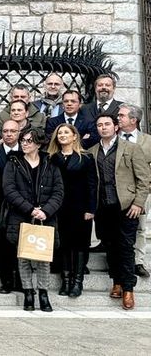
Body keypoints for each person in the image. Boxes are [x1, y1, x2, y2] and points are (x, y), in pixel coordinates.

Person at [88, 114, 150, 310]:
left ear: (116, 127)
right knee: (110, 246)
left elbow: (143, 179)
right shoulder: (92, 151)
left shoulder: (131, 148)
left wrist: (138, 203)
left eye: (107, 124)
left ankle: (128, 288)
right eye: (99, 125)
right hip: (103, 207)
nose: (103, 128)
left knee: (125, 246)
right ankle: (116, 281)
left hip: (126, 207)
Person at [3, 127, 63, 312]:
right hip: (21, 215)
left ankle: (43, 293)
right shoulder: (13, 162)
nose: (25, 144)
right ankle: (28, 292)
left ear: (38, 143)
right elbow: (9, 189)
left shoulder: (50, 163)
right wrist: (30, 209)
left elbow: (58, 191)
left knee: (43, 257)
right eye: (23, 140)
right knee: (24, 257)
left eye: (29, 141)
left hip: (45, 217)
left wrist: (45, 211)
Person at [47, 123, 96, 298]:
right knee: (64, 244)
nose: (62, 135)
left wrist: (91, 208)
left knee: (80, 245)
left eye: (66, 132)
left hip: (80, 208)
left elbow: (92, 185)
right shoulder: (52, 158)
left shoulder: (86, 158)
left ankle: (77, 282)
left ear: (75, 136)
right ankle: (65, 281)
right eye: (59, 133)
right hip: (59, 208)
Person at [116, 104, 151, 279]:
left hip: (142, 192)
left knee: (141, 228)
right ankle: (118, 262)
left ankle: (138, 261)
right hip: (120, 193)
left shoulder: (147, 141)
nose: (118, 118)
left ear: (133, 120)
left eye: (121, 115)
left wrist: (141, 198)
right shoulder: (113, 138)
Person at [0, 119, 23, 293]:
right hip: (1, 208)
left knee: (21, 246)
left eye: (13, 131)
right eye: (6, 131)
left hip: (23, 208)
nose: (9, 134)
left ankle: (21, 281)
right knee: (2, 246)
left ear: (19, 133)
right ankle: (7, 281)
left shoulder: (26, 152)